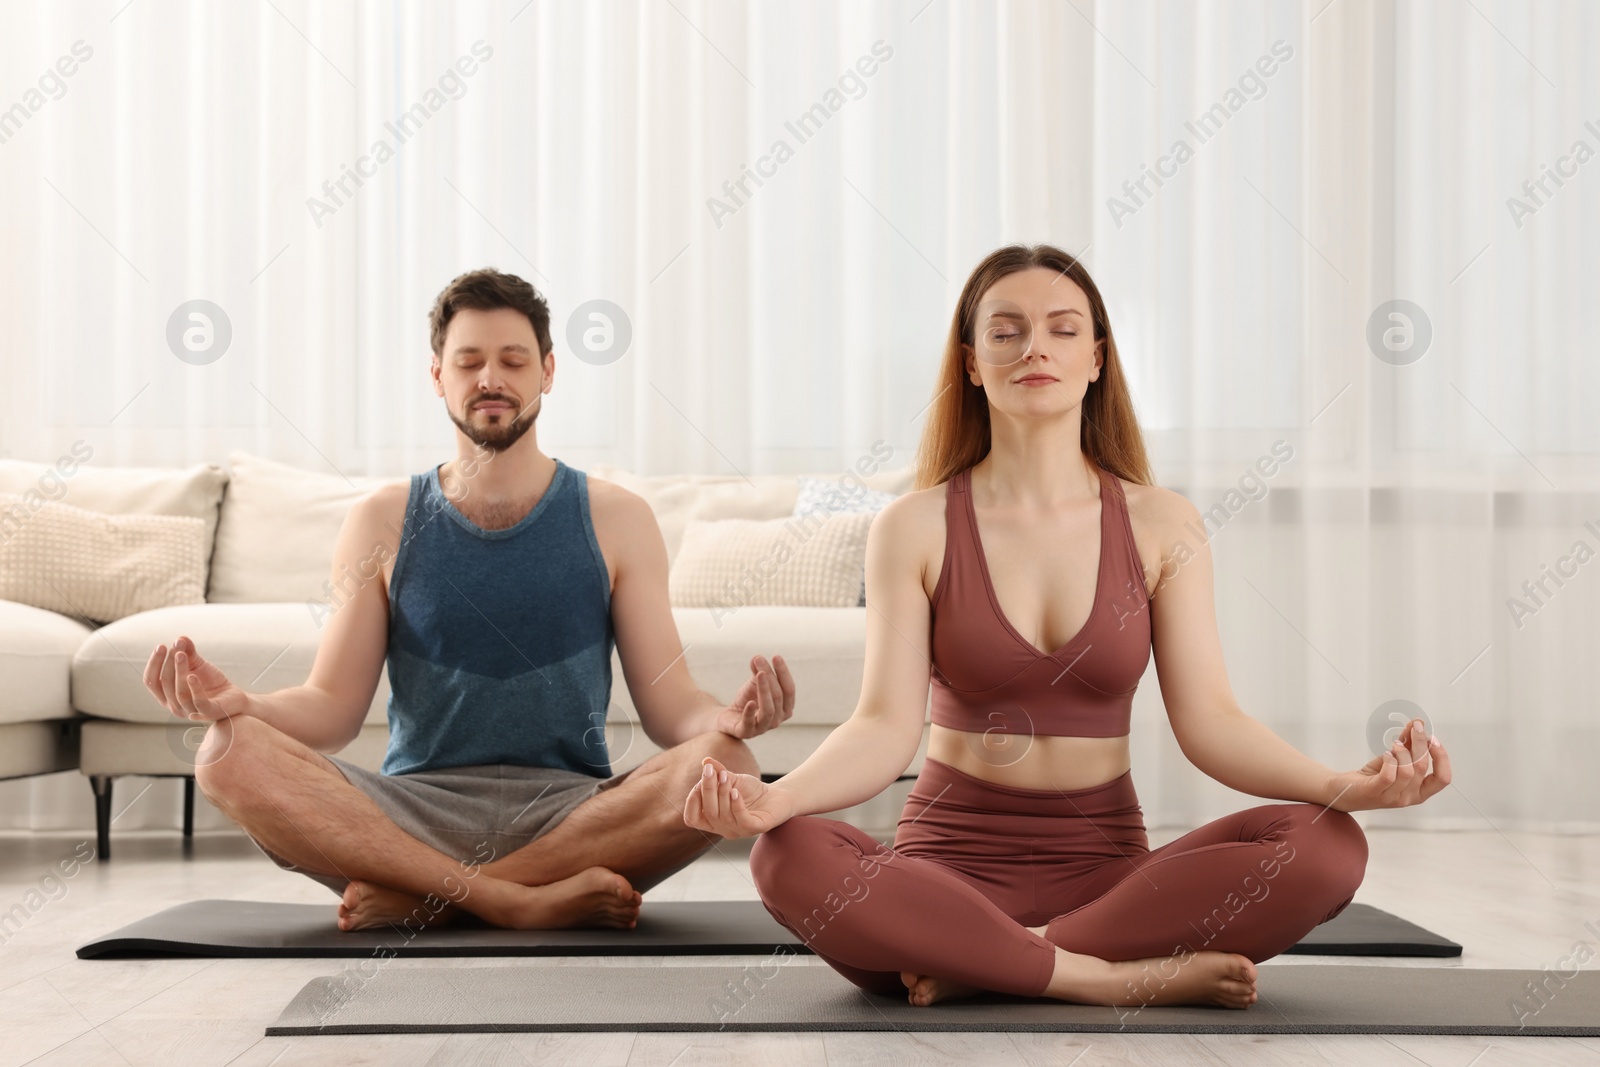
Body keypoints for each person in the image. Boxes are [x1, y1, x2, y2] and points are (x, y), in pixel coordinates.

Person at [684, 244, 1452, 1009]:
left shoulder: (1163, 523)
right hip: (942, 875)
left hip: (1108, 884)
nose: (1034, 348)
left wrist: (1341, 787)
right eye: (1007, 331)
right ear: (973, 362)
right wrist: (774, 801)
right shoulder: (912, 527)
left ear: (1097, 358)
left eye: (1061, 328)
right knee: (784, 855)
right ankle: (1101, 977)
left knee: (1328, 845)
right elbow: (885, 725)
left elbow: (1211, 719)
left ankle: (996, 964)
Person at [143, 267, 796, 932]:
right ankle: (514, 900)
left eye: (513, 360)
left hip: (573, 815)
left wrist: (727, 718)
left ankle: (434, 898)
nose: (492, 378)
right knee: (225, 751)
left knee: (730, 763)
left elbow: (671, 706)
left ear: (547, 371)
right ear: (438, 376)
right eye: (470, 361)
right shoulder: (382, 519)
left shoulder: (617, 517)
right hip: (411, 815)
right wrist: (245, 705)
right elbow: (333, 707)